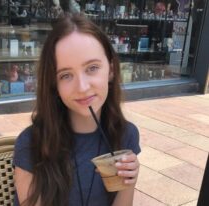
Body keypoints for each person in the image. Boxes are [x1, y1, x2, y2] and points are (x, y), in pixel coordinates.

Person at [13, 13, 140, 206]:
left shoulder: (125, 135)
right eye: (66, 75)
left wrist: (129, 182)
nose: (81, 87)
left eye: (92, 68)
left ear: (111, 69)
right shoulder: (31, 144)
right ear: (54, 84)